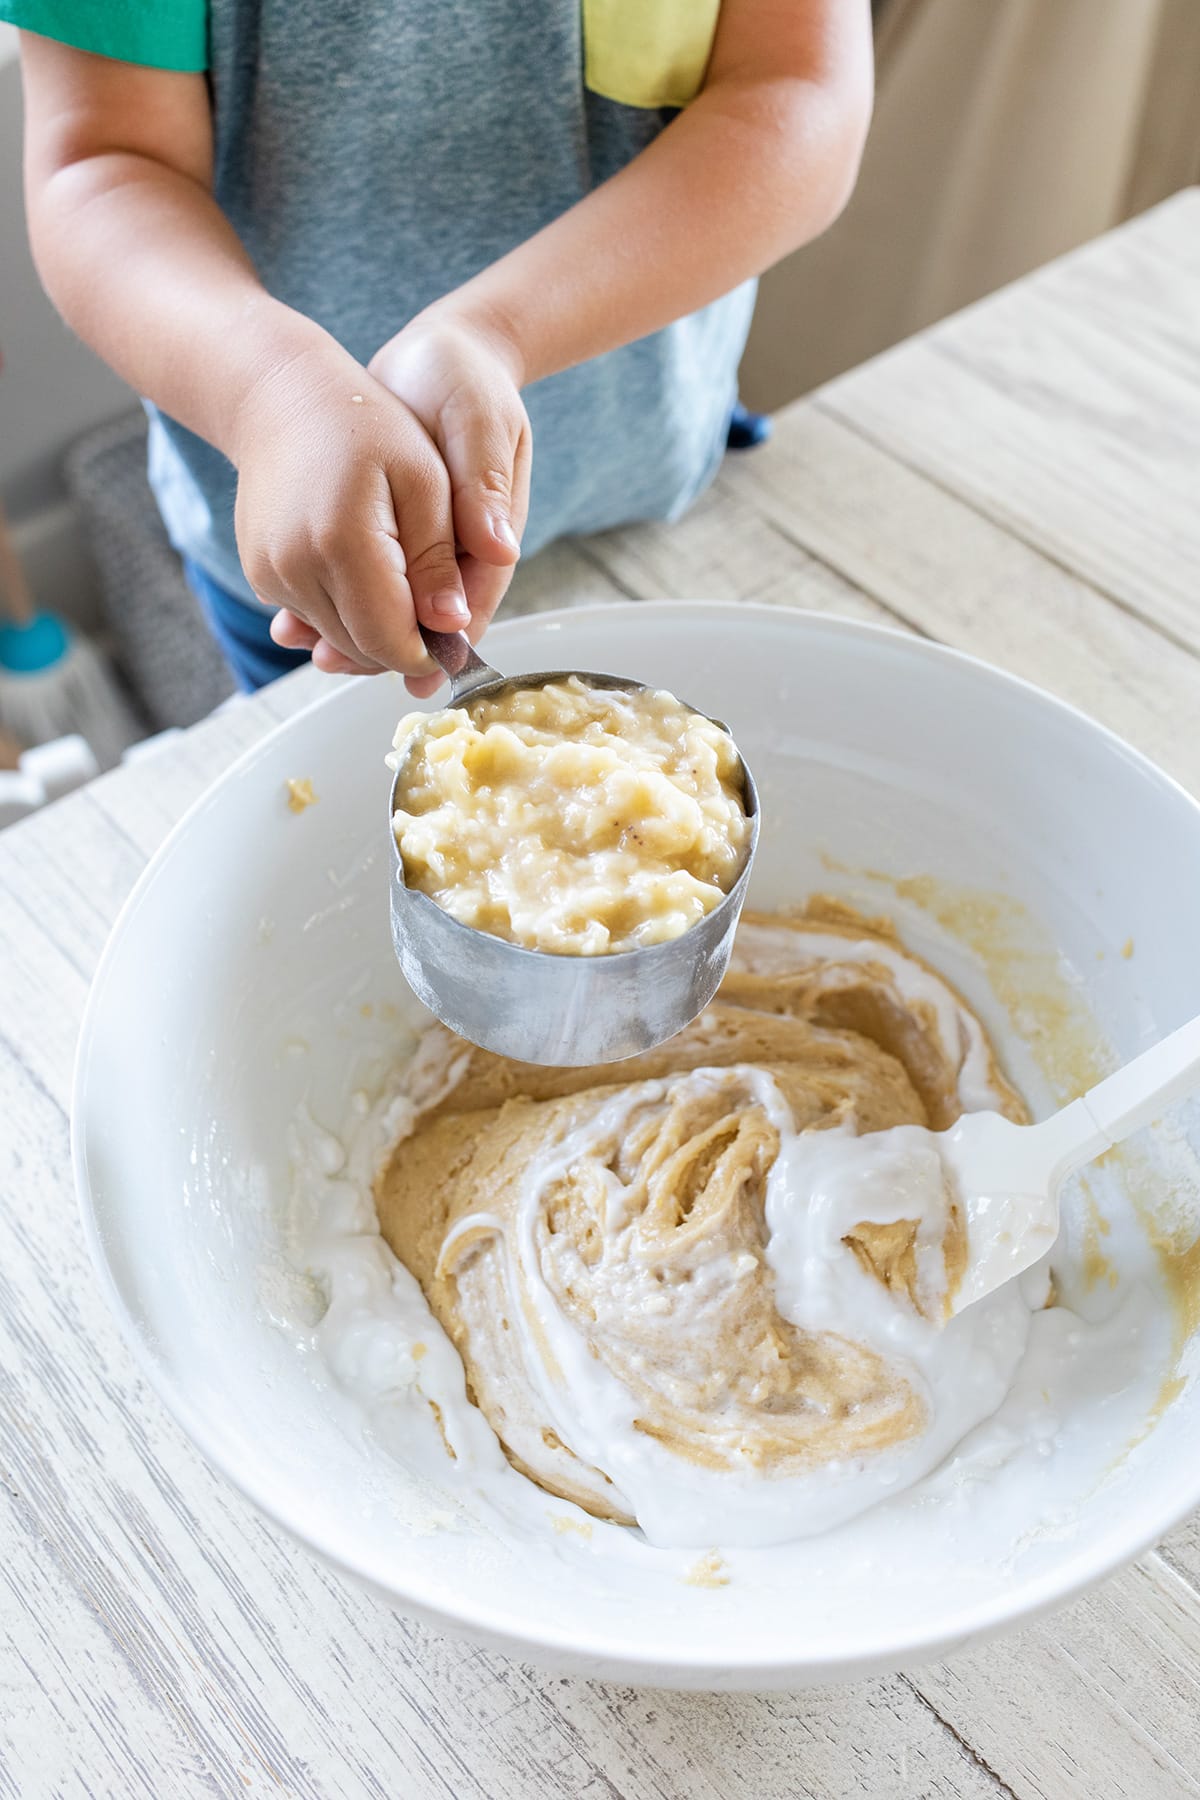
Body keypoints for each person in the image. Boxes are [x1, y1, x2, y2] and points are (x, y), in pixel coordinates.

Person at [10, 1, 873, 695]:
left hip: (652, 482)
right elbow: (104, 166)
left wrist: (495, 330)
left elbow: (796, 94)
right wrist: (273, 392)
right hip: (314, 573)